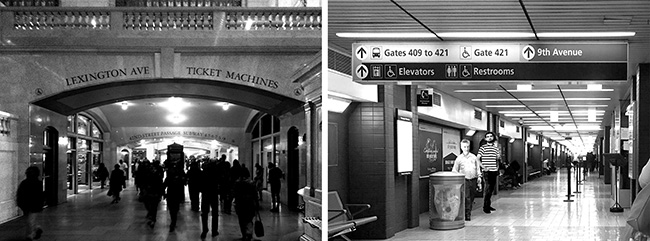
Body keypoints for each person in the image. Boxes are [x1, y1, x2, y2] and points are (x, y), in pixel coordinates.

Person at [451, 139, 482, 221]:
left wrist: (479, 177)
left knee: (471, 197)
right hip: (464, 180)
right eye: (464, 147)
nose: (466, 148)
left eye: (468, 146)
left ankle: (469, 210)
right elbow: (454, 170)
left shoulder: (474, 157)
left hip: (473, 179)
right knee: (466, 197)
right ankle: (467, 214)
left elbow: (478, 168)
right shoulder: (459, 159)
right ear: (461, 147)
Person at [17, 166, 44, 240]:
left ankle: (30, 235)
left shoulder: (24, 183)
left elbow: (20, 194)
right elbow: (40, 195)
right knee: (30, 220)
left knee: (29, 220)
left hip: (29, 205)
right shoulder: (38, 183)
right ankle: (36, 228)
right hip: (32, 205)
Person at [477, 132, 500, 214]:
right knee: (487, 189)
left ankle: (488, 205)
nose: (489, 138)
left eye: (491, 136)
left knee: (491, 189)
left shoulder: (496, 148)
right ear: (485, 138)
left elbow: (497, 158)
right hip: (486, 172)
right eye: (487, 136)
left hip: (494, 171)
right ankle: (485, 207)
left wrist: (497, 167)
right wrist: (483, 167)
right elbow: (478, 159)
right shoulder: (483, 148)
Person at [234, 167, 259, 241]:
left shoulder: (237, 183)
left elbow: (235, 194)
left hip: (240, 204)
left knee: (241, 220)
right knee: (249, 219)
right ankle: (249, 234)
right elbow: (255, 195)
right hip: (249, 204)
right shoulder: (251, 183)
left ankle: (244, 234)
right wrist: (256, 204)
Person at [200, 158, 220, 239]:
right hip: (214, 193)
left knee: (204, 213)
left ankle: (205, 230)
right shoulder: (216, 172)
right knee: (215, 213)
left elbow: (201, 182)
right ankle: (214, 230)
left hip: (205, 193)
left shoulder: (204, 172)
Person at [141, 160, 164, 228]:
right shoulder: (150, 174)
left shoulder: (154, 175)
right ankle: (152, 216)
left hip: (152, 193)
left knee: (152, 206)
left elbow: (160, 184)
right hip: (152, 193)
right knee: (151, 206)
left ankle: (152, 218)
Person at [164, 165, 186, 232]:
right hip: (176, 194)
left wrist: (163, 193)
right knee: (175, 209)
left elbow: (164, 184)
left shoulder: (169, 177)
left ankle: (173, 222)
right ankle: (173, 222)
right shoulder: (179, 177)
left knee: (172, 209)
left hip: (171, 194)